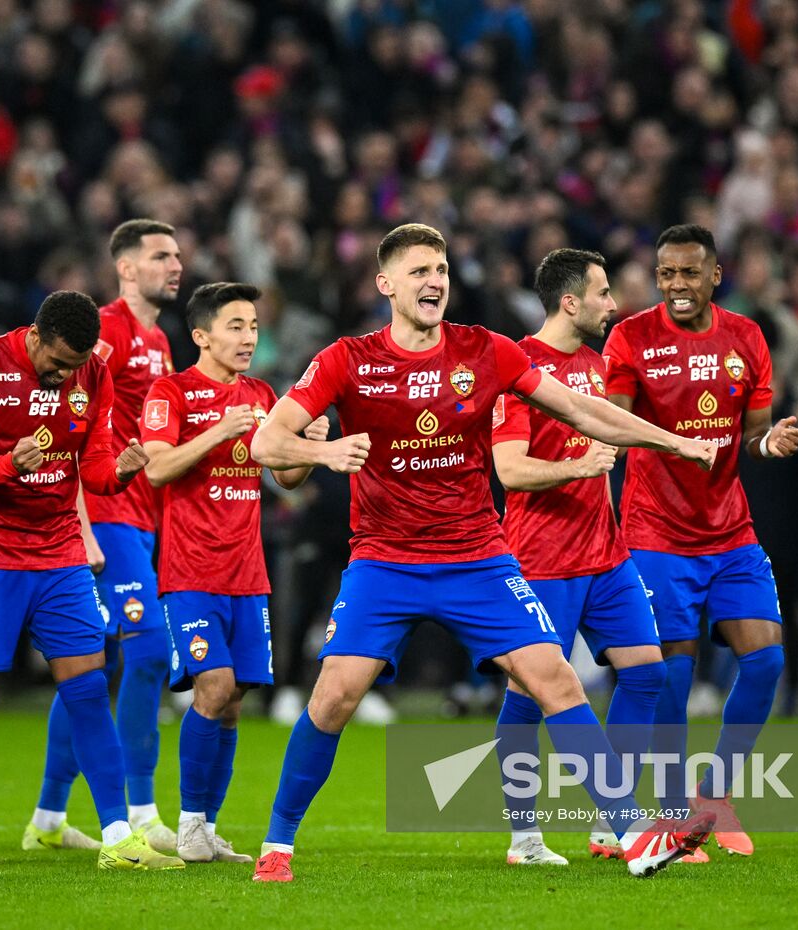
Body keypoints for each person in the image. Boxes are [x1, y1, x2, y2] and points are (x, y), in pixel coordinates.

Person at [247, 224, 718, 883]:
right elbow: (268, 445)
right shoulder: (346, 359)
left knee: (555, 678)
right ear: (386, 284)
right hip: (386, 562)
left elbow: (583, 412)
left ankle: (632, 835)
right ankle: (278, 844)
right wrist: (324, 452)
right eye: (418, 271)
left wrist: (671, 441)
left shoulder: (484, 351)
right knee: (332, 699)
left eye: (440, 268)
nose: (435, 280)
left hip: (478, 557)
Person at [0, 290, 183, 872]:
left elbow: (97, 467)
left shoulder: (94, 372)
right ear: (34, 336)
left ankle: (117, 839)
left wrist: (124, 473)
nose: (63, 376)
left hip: (58, 553)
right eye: (56, 363)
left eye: (73, 366)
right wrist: (12, 465)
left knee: (86, 689)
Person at [601, 224, 798, 861]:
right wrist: (669, 443)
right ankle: (668, 818)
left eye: (689, 272)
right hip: (656, 531)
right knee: (673, 675)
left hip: (730, 530)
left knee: (767, 659)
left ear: (715, 275)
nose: (677, 285)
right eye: (666, 273)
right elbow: (610, 422)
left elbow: (754, 432)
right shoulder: (631, 337)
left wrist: (765, 444)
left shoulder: (746, 337)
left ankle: (712, 796)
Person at [489, 249, 667, 865]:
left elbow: (622, 428)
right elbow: (508, 469)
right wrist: (577, 466)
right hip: (541, 560)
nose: (614, 304)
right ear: (571, 301)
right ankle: (524, 838)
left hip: (607, 554)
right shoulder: (517, 367)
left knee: (647, 673)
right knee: (527, 697)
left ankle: (609, 824)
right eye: (603, 292)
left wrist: (676, 443)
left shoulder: (595, 365)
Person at [140, 281, 325, 863]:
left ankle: (208, 827)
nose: (250, 337)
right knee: (213, 688)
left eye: (253, 326)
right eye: (236, 326)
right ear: (201, 335)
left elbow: (284, 481)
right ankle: (189, 824)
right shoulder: (170, 392)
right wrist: (219, 430)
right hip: (190, 569)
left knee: (236, 697)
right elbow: (156, 469)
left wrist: (309, 449)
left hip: (248, 572)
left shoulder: (262, 393)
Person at [25, 219, 183, 854]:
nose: (175, 265)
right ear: (125, 267)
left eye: (177, 255)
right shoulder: (107, 331)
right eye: (160, 256)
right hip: (105, 516)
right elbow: (69, 430)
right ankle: (141, 809)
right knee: (147, 652)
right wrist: (82, 525)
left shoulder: (160, 339)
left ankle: (46, 817)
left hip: (144, 518)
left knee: (91, 666)